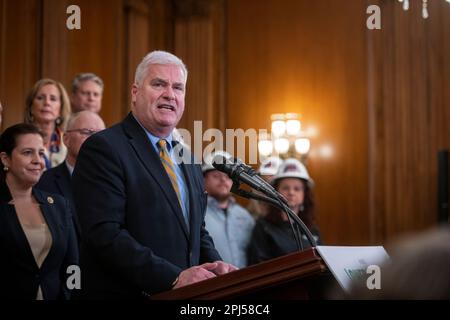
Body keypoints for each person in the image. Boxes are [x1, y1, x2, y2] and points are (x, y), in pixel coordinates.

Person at [72, 50, 237, 299]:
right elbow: (105, 233)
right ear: (135, 93)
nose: (170, 94)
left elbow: (196, 230)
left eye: (178, 87)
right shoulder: (104, 148)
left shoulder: (189, 159)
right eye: (159, 84)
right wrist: (172, 277)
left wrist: (215, 266)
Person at [0, 123, 78, 299]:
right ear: (5, 159)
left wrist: (72, 295)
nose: (38, 160)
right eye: (28, 153)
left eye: (41, 153)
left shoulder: (59, 204)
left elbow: (74, 265)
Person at [37, 111, 106, 242]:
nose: (96, 139)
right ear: (66, 139)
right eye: (87, 132)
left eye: (101, 134)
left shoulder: (117, 181)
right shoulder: (44, 182)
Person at [247, 158, 322, 265]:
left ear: (305, 194)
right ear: (276, 191)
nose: (291, 192)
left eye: (297, 189)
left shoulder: (312, 229)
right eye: (285, 188)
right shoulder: (263, 227)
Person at [202, 152, 255, 268]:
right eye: (216, 176)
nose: (223, 180)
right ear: (203, 180)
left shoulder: (245, 216)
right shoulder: (198, 213)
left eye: (227, 176)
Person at [24, 78, 71, 169]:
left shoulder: (68, 142)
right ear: (31, 107)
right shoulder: (20, 140)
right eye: (40, 98)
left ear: (61, 109)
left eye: (53, 99)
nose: (47, 103)